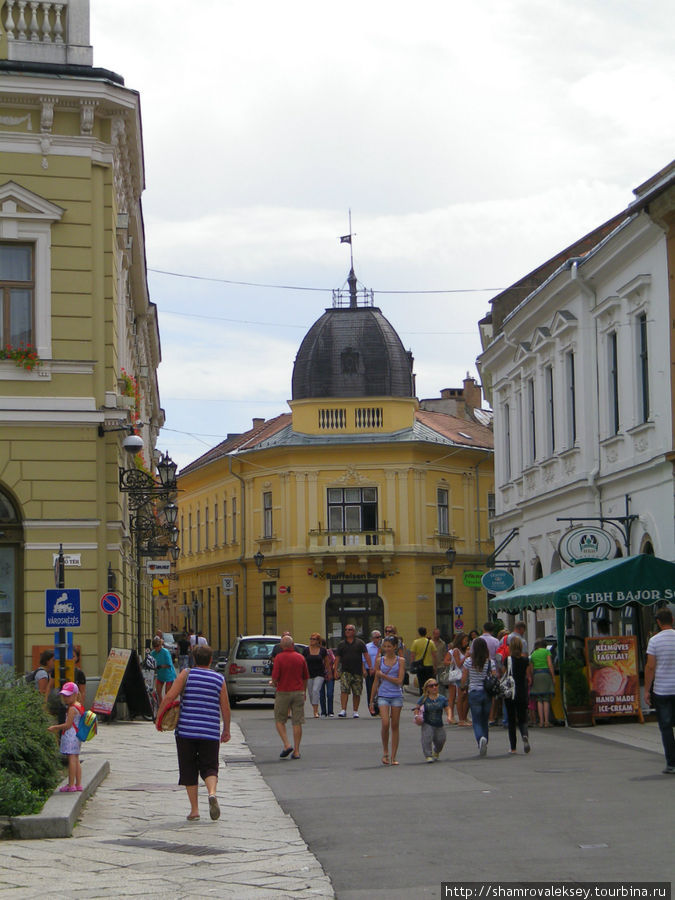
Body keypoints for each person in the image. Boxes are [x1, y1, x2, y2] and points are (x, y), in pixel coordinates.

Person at [156, 643, 231, 821]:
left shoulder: (186, 674)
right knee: (210, 767)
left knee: (189, 769)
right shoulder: (218, 679)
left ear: (193, 659)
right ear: (211, 660)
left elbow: (169, 696)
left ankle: (194, 810)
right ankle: (212, 793)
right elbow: (225, 708)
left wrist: (159, 717)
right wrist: (226, 729)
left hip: (186, 732)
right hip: (210, 732)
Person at [643, 607, 675, 774]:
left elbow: (650, 667)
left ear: (658, 622)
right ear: (673, 620)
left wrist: (647, 690)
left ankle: (672, 763)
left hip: (662, 690)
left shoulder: (654, 641)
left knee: (666, 726)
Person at [369, 635, 405, 765]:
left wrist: (383, 675)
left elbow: (399, 681)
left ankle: (394, 756)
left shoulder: (400, 661)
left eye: (389, 646)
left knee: (395, 725)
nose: (387, 649)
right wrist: (371, 700)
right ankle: (385, 752)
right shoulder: (379, 660)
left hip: (396, 695)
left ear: (395, 647)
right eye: (385, 646)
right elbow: (375, 681)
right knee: (385, 723)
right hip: (383, 695)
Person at [272, 635, 309, 759]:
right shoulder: (300, 658)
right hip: (298, 691)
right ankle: (297, 751)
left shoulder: (279, 658)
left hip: (283, 691)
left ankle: (287, 744)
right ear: (293, 645)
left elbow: (275, 677)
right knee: (297, 721)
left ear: (282, 646)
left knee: (279, 719)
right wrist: (303, 691)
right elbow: (305, 676)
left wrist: (274, 683)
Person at [47, 682, 84, 792]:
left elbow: (67, 725)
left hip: (70, 736)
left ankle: (71, 784)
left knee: (71, 760)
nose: (65, 698)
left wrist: (55, 727)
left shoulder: (72, 708)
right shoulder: (79, 706)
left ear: (75, 694)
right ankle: (78, 784)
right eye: (64, 695)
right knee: (76, 759)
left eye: (68, 695)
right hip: (77, 736)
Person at [461, 636, 493, 757]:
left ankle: (480, 739)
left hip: (474, 692)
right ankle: (485, 739)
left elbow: (464, 678)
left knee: (476, 720)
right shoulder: (489, 662)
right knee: (485, 720)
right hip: (487, 693)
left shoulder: (469, 661)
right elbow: (494, 676)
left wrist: (463, 687)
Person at [503, 636, 531, 754]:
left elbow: (505, 674)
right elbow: (528, 677)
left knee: (511, 719)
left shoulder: (507, 660)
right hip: (521, 691)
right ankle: (524, 735)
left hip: (510, 692)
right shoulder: (525, 661)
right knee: (522, 717)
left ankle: (513, 747)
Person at [334, 624, 368, 718]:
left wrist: (368, 667)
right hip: (345, 670)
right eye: (346, 630)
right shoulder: (341, 644)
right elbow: (337, 658)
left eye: (350, 629)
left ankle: (355, 711)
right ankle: (343, 709)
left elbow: (365, 655)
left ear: (354, 631)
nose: (347, 631)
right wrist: (335, 670)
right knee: (344, 690)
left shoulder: (360, 643)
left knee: (357, 692)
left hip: (357, 671)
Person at [415, 678, 449, 762]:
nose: (434, 687)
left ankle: (436, 751)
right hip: (427, 722)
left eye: (436, 685)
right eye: (431, 686)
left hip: (439, 723)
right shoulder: (424, 698)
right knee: (427, 738)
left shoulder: (442, 698)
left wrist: (450, 716)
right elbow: (417, 708)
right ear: (427, 688)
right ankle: (428, 755)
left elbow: (448, 708)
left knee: (441, 739)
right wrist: (416, 716)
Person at [528, 639, 555, 727]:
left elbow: (531, 668)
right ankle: (547, 721)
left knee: (539, 699)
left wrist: (532, 678)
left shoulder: (533, 654)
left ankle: (541, 721)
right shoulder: (547, 652)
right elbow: (550, 664)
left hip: (536, 675)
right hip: (545, 674)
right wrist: (553, 677)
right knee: (546, 699)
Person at [445, 633, 470, 726]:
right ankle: (461, 719)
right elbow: (458, 664)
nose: (467, 643)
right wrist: (466, 656)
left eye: (467, 641)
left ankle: (464, 717)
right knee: (459, 697)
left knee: (466, 697)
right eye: (465, 640)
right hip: (459, 675)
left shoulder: (465, 650)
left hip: (466, 675)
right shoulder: (456, 651)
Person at [302, 632, 327, 718]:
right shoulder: (306, 650)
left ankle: (315, 711)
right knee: (311, 693)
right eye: (311, 639)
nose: (312, 641)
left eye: (314, 639)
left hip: (319, 673)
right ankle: (314, 707)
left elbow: (326, 662)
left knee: (315, 690)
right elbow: (303, 662)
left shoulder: (323, 650)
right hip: (309, 674)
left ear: (318, 641)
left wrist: (330, 672)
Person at [410, 627, 437, 694]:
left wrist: (412, 665)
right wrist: (435, 666)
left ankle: (422, 695)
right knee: (429, 683)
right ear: (426, 632)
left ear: (419, 633)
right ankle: (430, 695)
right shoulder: (430, 642)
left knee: (421, 683)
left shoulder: (415, 642)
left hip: (420, 666)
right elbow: (434, 655)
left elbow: (412, 655)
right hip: (429, 666)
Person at [151, 635, 177, 702]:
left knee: (167, 693)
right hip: (160, 675)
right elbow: (150, 661)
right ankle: (161, 706)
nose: (156, 648)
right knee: (158, 692)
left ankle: (167, 707)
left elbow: (169, 665)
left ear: (160, 645)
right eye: (155, 647)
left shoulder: (165, 652)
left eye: (158, 646)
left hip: (169, 674)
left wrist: (160, 666)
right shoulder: (153, 653)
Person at [365, 630, 382, 716]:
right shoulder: (367, 647)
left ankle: (380, 708)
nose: (379, 639)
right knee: (370, 690)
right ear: (372, 638)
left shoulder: (383, 647)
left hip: (380, 671)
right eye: (377, 637)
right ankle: (371, 707)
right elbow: (364, 658)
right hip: (370, 670)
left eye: (380, 637)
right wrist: (366, 669)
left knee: (381, 690)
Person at [319, 639, 336, 717]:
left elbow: (333, 661)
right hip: (320, 675)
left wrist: (333, 671)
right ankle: (323, 711)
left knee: (330, 693)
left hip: (329, 675)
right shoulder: (316, 652)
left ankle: (330, 711)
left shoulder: (329, 652)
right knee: (321, 694)